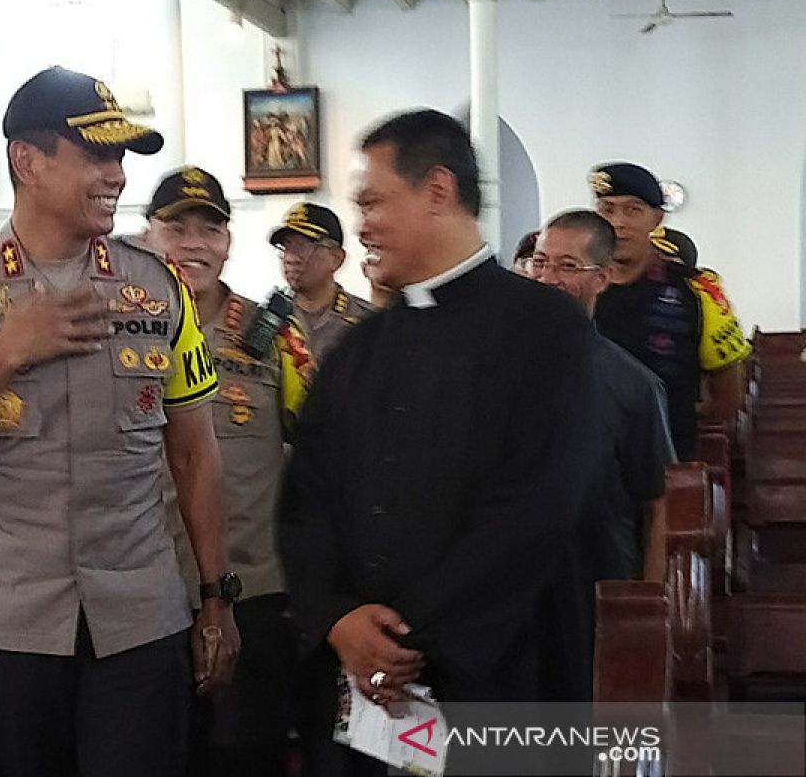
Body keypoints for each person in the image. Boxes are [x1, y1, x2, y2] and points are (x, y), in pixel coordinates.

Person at [0, 66, 239, 777]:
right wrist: (5, 352)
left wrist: (217, 600)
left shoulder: (158, 288)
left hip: (139, 617)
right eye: (97, 155)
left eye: (122, 156)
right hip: (9, 622)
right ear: (27, 161)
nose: (118, 175)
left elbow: (195, 454)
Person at [279, 110, 601, 775]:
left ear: (437, 191)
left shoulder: (546, 330)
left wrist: (402, 637)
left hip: (499, 674)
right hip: (361, 688)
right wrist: (339, 619)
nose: (362, 223)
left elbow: (536, 506)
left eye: (373, 201)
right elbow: (305, 502)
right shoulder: (360, 347)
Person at [144, 165, 313, 776]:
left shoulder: (271, 337)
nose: (194, 243)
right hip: (152, 586)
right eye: (177, 227)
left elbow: (312, 440)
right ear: (148, 236)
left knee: (249, 754)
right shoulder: (124, 329)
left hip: (252, 586)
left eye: (209, 230)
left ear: (228, 242)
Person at [527, 210, 676, 581]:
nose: (547, 279)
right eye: (540, 262)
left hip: (594, 574)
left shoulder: (632, 384)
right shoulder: (493, 365)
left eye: (567, 266)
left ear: (602, 278)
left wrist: (647, 605)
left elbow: (658, 502)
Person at [590, 162, 750, 459]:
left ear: (657, 218)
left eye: (633, 210)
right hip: (587, 463)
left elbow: (728, 391)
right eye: (607, 210)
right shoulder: (578, 284)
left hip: (667, 459)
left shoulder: (697, 290)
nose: (618, 222)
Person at [271, 202, 376, 365]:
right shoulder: (268, 319)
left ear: (337, 259)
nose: (290, 258)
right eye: (286, 247)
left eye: (303, 247)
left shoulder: (367, 323)